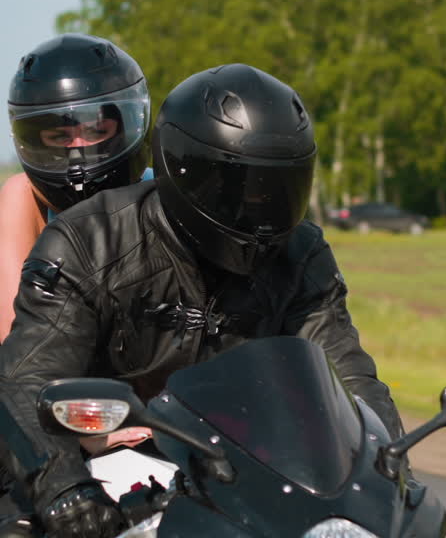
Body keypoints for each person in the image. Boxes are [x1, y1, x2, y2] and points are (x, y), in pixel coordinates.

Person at [0, 64, 403, 538]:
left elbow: (347, 372)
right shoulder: (90, 242)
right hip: (94, 462)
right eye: (244, 188)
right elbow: (27, 377)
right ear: (185, 172)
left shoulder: (301, 253)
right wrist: (65, 490)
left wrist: (388, 473)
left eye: (279, 188)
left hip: (242, 469)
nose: (262, 206)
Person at [1, 34, 152, 343]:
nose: (78, 151)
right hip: (56, 375)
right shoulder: (23, 196)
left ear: (124, 127)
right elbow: (13, 336)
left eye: (96, 131)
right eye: (59, 137)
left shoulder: (159, 192)